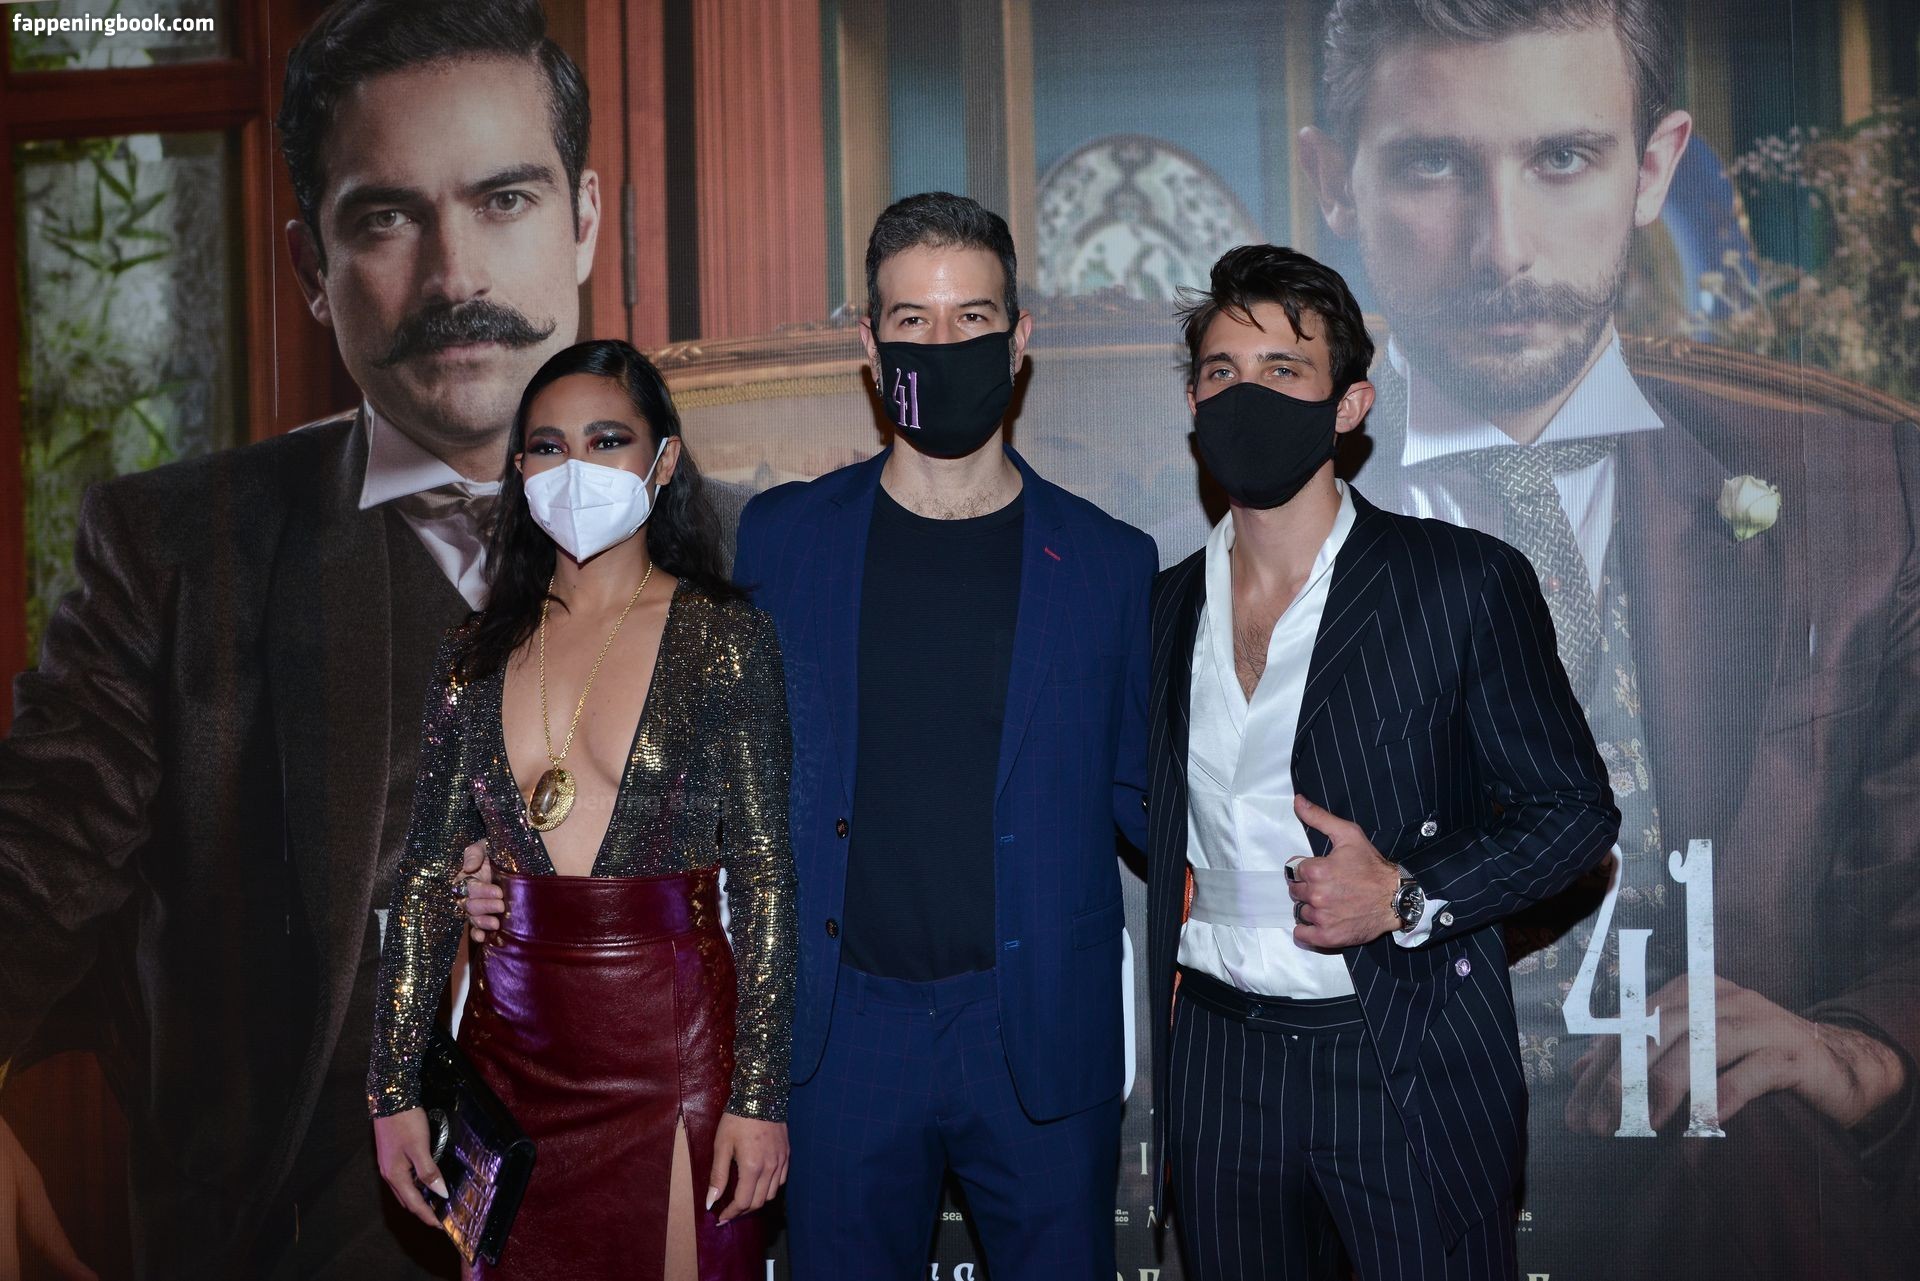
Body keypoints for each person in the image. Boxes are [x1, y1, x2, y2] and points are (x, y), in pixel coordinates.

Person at [0, 1, 637, 1273]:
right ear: (309, 265)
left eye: (504, 201)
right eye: (388, 218)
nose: (455, 278)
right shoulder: (177, 558)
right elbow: (27, 879)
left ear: (582, 222)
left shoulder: (755, 549)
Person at [1298, 1, 1920, 1274]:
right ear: (1334, 184)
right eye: (1434, 165)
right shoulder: (1207, 516)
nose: (1504, 248)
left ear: (1653, 167)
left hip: (1717, 1197)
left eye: (1563, 158)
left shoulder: (1863, 502)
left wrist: (1865, 1047)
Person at [1145, 244, 1619, 1279]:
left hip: (1402, 1049)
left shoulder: (1460, 581)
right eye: (1223, 371)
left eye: (1284, 370)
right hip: (1219, 1061)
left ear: (1350, 406)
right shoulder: (1158, 606)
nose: (1246, 395)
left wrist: (1407, 893)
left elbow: (1574, 813)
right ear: (1193, 402)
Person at [731, 192, 1154, 1280]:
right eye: (912, 320)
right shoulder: (783, 541)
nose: (942, 342)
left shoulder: (1109, 563)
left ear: (1019, 340)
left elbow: (1156, 796)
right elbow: (718, 772)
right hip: (844, 1034)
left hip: (1035, 1031)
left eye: (972, 318)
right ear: (870, 349)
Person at [367, 339, 794, 1280]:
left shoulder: (725, 636)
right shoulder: (474, 653)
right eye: (548, 446)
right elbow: (429, 871)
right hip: (508, 1064)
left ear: (663, 460)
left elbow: (766, 877)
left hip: (669, 1061)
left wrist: (758, 1093)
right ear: (519, 469)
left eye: (607, 440)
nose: (576, 468)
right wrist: (392, 1087)